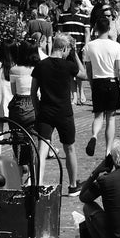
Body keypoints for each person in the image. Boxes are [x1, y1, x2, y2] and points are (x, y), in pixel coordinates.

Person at [32, 34, 80, 193]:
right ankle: (73, 185)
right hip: (64, 112)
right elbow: (84, 75)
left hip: (45, 111)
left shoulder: (40, 65)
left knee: (42, 150)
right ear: (65, 48)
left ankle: (37, 184)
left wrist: (38, 109)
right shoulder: (68, 66)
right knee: (70, 148)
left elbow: (33, 92)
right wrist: (76, 55)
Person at [82, 24, 120, 159]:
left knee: (98, 116)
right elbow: (119, 69)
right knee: (110, 118)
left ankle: (94, 136)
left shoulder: (90, 46)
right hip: (112, 82)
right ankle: (107, 151)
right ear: (108, 30)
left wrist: (91, 82)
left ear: (96, 30)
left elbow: (88, 69)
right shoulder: (116, 46)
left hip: (97, 82)